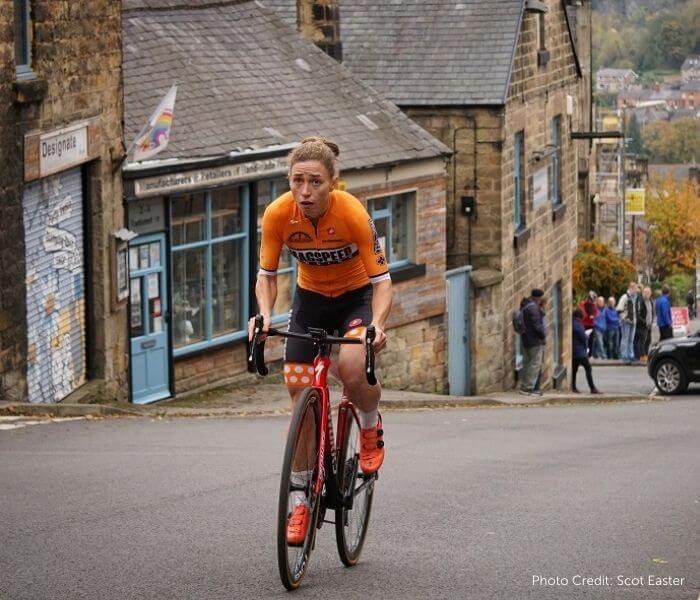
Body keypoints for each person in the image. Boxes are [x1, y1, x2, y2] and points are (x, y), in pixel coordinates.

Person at [249, 137, 393, 544]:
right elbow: (266, 276)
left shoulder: (351, 213)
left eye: (315, 182)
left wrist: (376, 325)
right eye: (298, 181)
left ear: (333, 182)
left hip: (356, 299)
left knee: (350, 368)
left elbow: (383, 283)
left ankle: (368, 426)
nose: (306, 191)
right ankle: (300, 501)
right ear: (288, 181)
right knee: (299, 393)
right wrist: (263, 316)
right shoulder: (278, 214)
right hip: (309, 302)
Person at [519, 288, 546, 396]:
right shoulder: (534, 309)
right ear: (538, 298)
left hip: (525, 339)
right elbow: (537, 326)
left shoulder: (524, 306)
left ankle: (524, 386)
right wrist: (543, 335)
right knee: (535, 364)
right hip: (535, 340)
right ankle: (528, 387)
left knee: (527, 363)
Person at [571, 308, 601, 394]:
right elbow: (583, 337)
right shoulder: (578, 324)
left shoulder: (573, 322)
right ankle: (592, 388)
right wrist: (586, 336)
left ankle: (573, 387)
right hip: (579, 351)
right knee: (588, 368)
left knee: (574, 369)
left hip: (575, 351)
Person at [616, 282, 639, 364]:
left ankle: (630, 355)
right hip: (626, 321)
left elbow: (636, 309)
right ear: (631, 288)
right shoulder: (625, 297)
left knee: (631, 339)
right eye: (635, 288)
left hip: (634, 321)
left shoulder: (635, 298)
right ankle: (624, 356)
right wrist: (624, 317)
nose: (636, 290)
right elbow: (619, 309)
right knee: (625, 339)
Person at [635, 286, 655, 364]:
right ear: (643, 293)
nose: (647, 294)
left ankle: (646, 354)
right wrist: (643, 322)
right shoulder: (640, 301)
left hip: (649, 324)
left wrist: (651, 320)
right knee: (642, 340)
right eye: (645, 292)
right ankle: (642, 356)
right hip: (642, 324)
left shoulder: (650, 301)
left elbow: (651, 312)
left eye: (648, 292)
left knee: (648, 340)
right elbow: (638, 314)